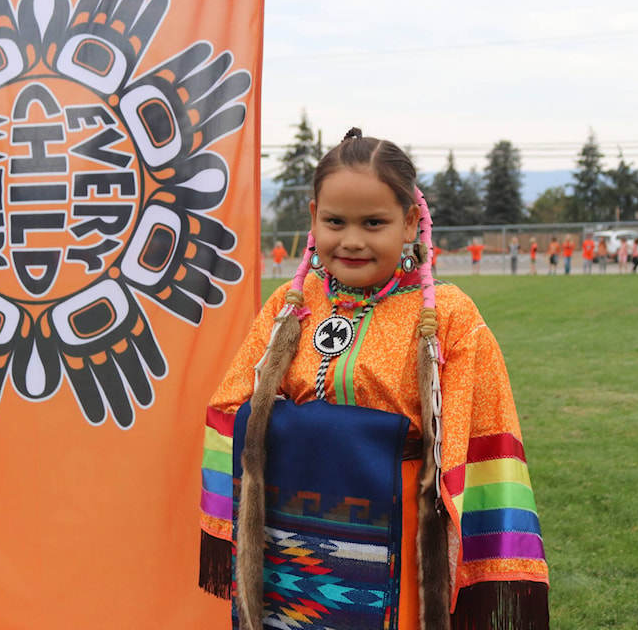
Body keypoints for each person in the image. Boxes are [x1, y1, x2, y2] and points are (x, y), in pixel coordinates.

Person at [198, 129, 549, 630]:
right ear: (313, 217)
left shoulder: (446, 316)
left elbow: (480, 437)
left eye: (374, 222)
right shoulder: (290, 306)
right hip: (289, 541)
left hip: (400, 540)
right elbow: (230, 407)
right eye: (335, 221)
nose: (352, 239)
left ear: (409, 223)